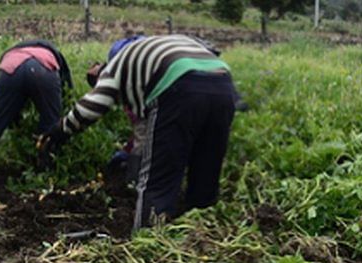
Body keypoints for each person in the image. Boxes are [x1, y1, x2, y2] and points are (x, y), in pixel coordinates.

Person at [41, 35, 238, 230]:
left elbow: (90, 107)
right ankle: (202, 234)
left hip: (179, 84)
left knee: (159, 178)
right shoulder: (148, 55)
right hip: (223, 82)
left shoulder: (115, 67)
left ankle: (149, 238)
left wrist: (58, 132)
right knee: (206, 170)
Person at [0, 40, 73, 189]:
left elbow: (11, 108)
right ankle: (45, 181)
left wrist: (15, 122)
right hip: (43, 70)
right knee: (51, 126)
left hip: (10, 68)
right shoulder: (55, 57)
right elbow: (66, 93)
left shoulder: (12, 52)